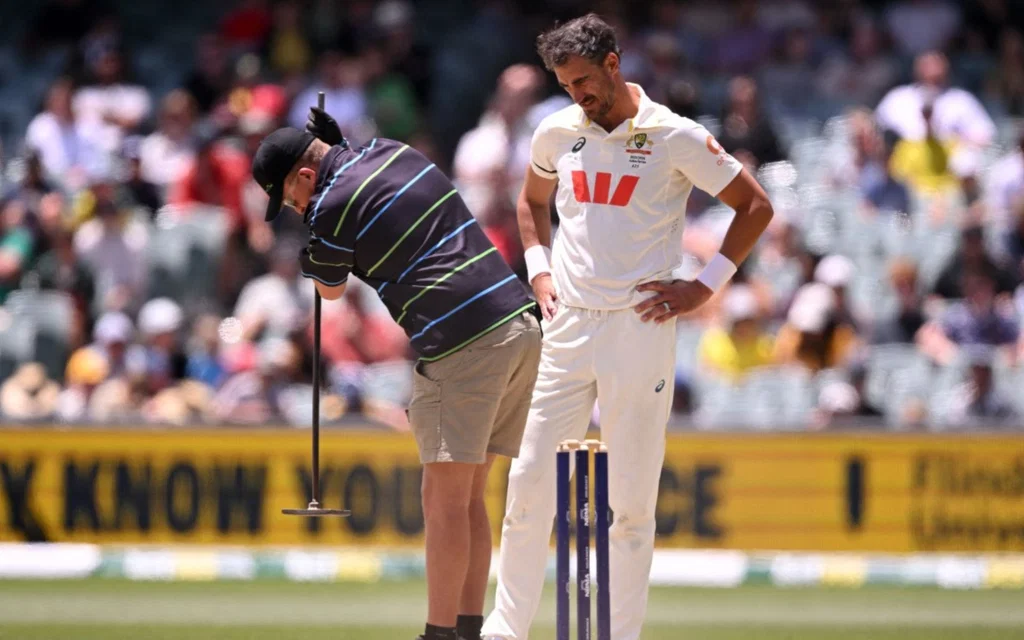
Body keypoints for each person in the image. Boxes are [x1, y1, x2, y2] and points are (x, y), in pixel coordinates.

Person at [482, 14, 774, 640]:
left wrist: (704, 287)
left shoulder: (674, 134)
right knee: (529, 483)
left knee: (632, 506)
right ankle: (504, 631)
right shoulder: (557, 130)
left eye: (584, 82)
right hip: (568, 325)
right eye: (565, 86)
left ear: (614, 64)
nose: (577, 97)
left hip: (640, 327)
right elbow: (531, 202)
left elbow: (755, 206)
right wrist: (538, 272)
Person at [252, 106, 542, 640]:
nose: (296, 209)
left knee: (443, 501)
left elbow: (331, 292)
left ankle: (438, 634)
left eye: (291, 198)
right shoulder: (393, 151)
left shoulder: (330, 205)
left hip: (464, 341)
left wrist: (314, 256)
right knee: (470, 497)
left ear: (307, 175)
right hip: (518, 324)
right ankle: (466, 630)